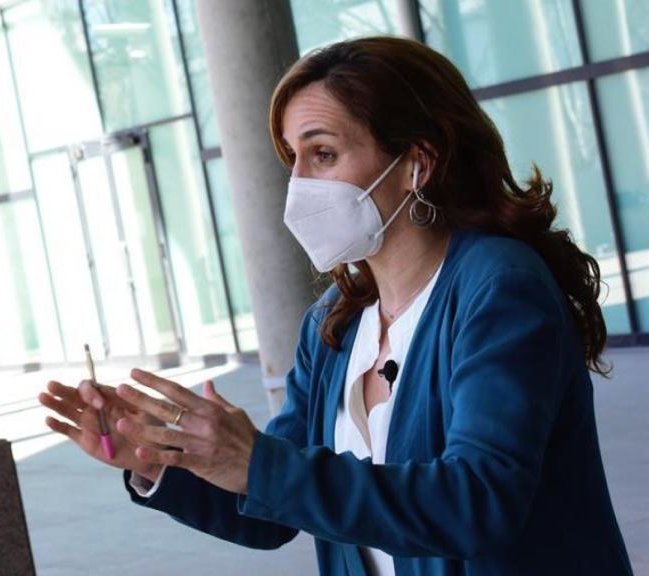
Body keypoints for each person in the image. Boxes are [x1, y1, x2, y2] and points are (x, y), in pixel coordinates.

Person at [39, 37, 633, 575]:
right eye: (292, 158)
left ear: (416, 164)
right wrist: (159, 458)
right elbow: (272, 508)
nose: (299, 183)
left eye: (323, 154)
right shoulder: (332, 322)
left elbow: (478, 501)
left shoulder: (498, 287)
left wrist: (259, 463)